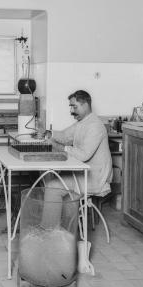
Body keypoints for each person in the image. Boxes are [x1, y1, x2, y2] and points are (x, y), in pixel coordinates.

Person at [40, 90, 113, 228]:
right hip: (83, 173)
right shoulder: (82, 122)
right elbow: (65, 135)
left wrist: (58, 147)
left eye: (74, 107)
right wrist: (47, 133)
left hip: (95, 178)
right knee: (50, 176)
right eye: (71, 107)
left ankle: (49, 232)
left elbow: (83, 155)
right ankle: (65, 228)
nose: (72, 111)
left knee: (53, 186)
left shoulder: (95, 126)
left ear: (85, 105)